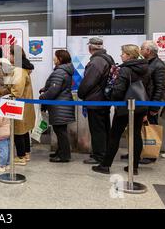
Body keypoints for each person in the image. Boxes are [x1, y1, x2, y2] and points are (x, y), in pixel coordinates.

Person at [92, 44, 150, 175]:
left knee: (115, 136)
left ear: (129, 56)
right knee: (136, 135)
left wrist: (111, 96)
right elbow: (149, 89)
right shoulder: (146, 68)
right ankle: (133, 167)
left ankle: (105, 165)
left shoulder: (125, 70)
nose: (121, 55)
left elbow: (119, 91)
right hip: (140, 106)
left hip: (124, 107)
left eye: (123, 53)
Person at [77, 37, 115, 165]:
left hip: (96, 100)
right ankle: (105, 152)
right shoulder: (108, 59)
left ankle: (99, 155)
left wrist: (81, 94)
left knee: (97, 129)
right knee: (104, 128)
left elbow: (88, 82)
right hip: (104, 99)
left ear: (90, 48)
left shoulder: (96, 62)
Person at [39, 50, 75, 163]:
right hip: (62, 104)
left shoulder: (59, 72)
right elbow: (57, 86)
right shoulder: (65, 70)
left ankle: (64, 155)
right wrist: (45, 89)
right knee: (60, 131)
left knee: (61, 132)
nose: (53, 58)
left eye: (55, 57)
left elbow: (54, 90)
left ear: (60, 58)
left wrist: (43, 97)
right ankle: (61, 152)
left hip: (59, 106)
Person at [138, 40, 165, 164]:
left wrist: (154, 107)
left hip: (151, 104)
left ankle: (150, 155)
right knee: (139, 129)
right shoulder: (147, 63)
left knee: (151, 128)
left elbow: (160, 88)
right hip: (144, 102)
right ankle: (138, 151)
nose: (140, 50)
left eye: (142, 48)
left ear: (148, 51)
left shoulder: (159, 65)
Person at [8, 45, 35, 166]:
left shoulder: (18, 70)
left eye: (10, 54)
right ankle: (26, 153)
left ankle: (21, 156)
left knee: (18, 130)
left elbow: (17, 91)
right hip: (26, 103)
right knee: (24, 130)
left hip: (18, 104)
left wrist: (8, 95)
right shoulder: (23, 69)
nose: (9, 56)